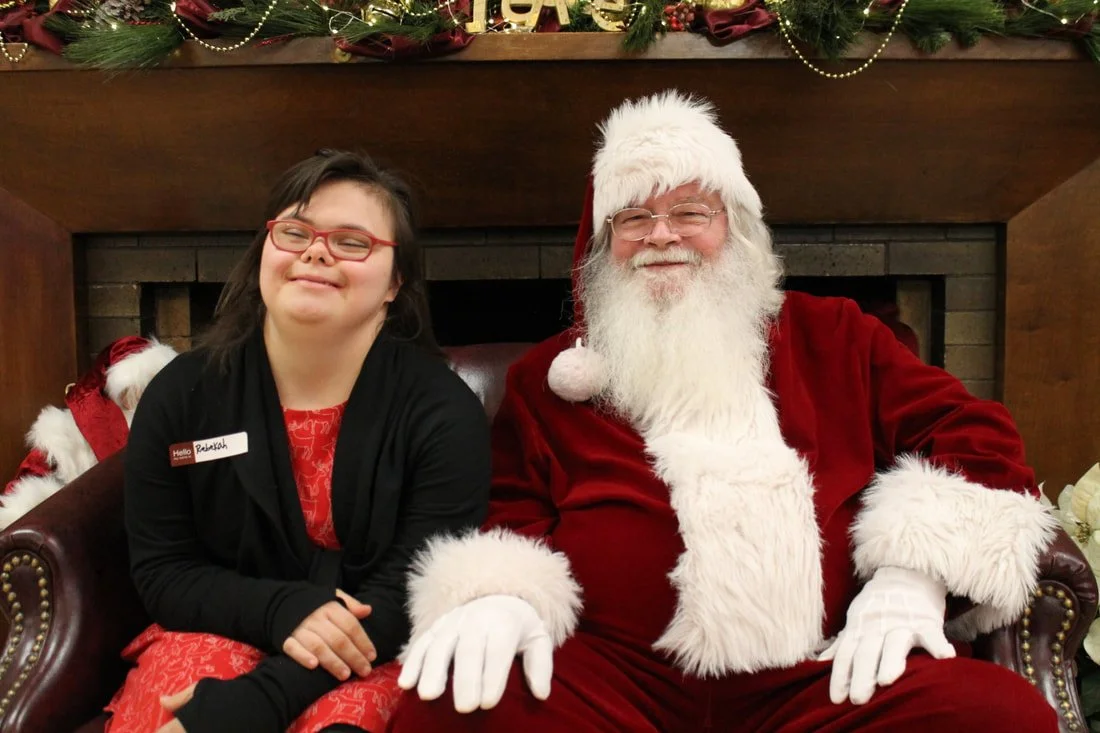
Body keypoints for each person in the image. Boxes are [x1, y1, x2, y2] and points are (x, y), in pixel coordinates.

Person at [389, 91, 1061, 732]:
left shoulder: (836, 336)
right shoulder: (549, 379)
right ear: (603, 245)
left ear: (734, 229)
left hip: (820, 676)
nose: (661, 236)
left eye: (690, 212)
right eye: (633, 218)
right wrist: (503, 596)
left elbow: (974, 435)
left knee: (1001, 716)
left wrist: (914, 574)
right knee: (446, 708)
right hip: (613, 681)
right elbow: (513, 510)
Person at [105, 150, 491, 733]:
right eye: (294, 232)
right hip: (219, 628)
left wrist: (260, 700)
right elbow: (165, 570)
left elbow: (415, 589)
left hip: (374, 650)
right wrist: (285, 608)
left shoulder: (443, 412)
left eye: (352, 242)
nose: (315, 251)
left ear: (396, 282)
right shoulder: (183, 396)